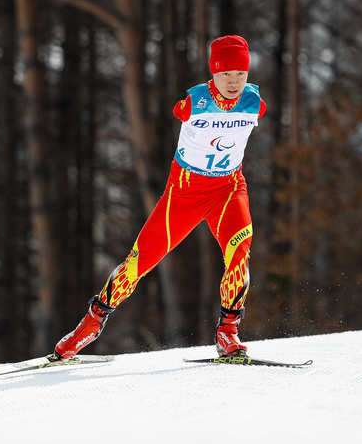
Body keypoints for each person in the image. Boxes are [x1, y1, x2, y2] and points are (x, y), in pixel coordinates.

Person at [53, 35, 267, 359]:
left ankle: (228, 332)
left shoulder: (254, 102)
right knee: (138, 263)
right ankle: (90, 324)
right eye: (226, 75)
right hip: (184, 194)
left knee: (240, 253)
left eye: (241, 75)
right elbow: (177, 109)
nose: (234, 82)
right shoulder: (196, 102)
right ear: (214, 74)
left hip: (228, 190)